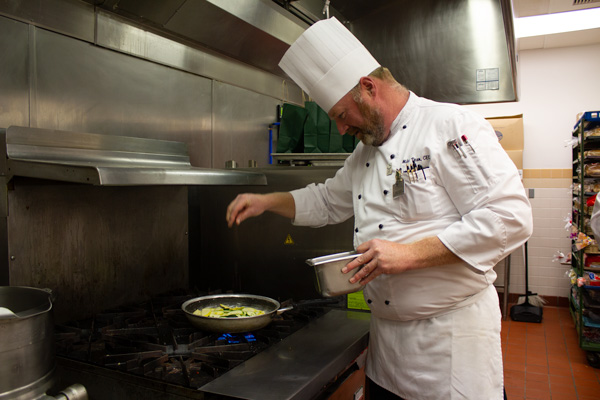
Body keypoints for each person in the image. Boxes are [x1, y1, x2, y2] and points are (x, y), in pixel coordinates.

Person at [226, 17, 532, 400]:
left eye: (340, 115)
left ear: (368, 88)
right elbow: (325, 200)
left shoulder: (449, 124)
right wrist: (266, 201)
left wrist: (410, 254)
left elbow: (510, 217)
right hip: (388, 349)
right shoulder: (363, 153)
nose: (339, 129)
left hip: (450, 347)